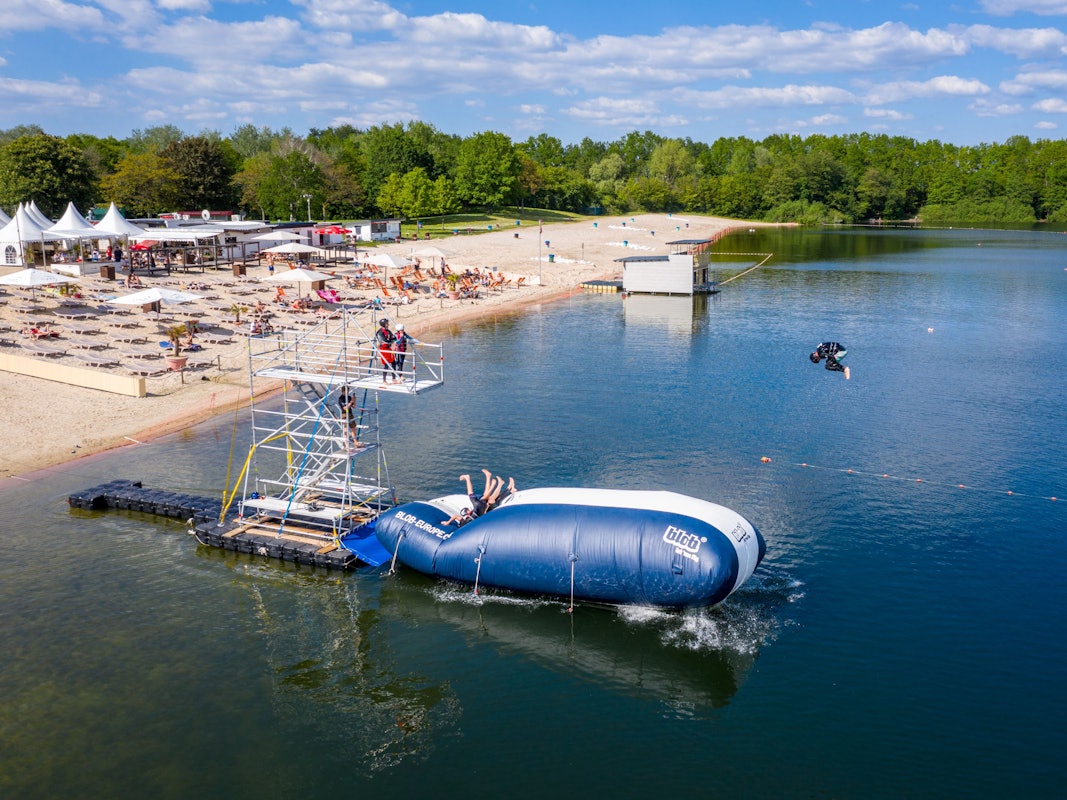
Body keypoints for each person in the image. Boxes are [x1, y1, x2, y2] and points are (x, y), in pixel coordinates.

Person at [375, 317, 399, 384]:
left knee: (393, 363)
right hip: (383, 349)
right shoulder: (380, 332)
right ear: (383, 324)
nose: (388, 324)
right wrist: (390, 340)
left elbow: (393, 337)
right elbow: (384, 340)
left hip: (389, 348)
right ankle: (384, 380)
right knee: (386, 364)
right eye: (386, 323)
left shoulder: (388, 331)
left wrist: (391, 340)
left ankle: (394, 379)